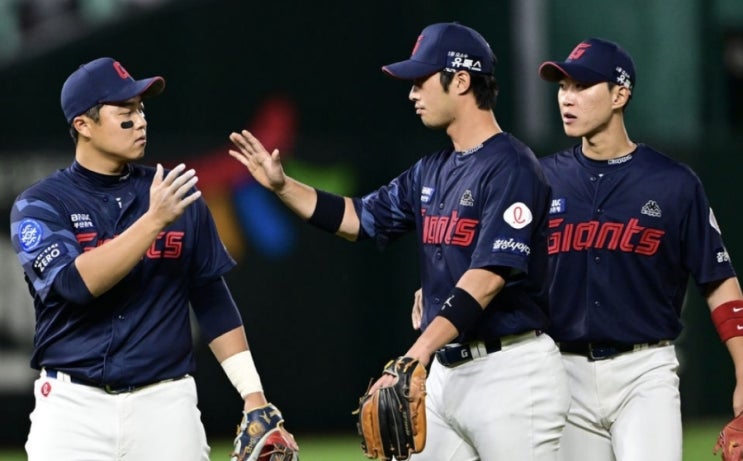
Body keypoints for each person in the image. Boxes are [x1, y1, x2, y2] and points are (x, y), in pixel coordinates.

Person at [228, 22, 570, 459]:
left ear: (461, 80)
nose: (412, 93)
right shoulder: (432, 169)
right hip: (447, 371)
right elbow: (359, 218)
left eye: (421, 80)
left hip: (512, 374)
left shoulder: (511, 166)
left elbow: (488, 276)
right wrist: (282, 186)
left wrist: (416, 353)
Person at [9, 57, 297, 460]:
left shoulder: (174, 194)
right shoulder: (40, 204)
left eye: (141, 108)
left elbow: (212, 300)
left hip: (166, 405)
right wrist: (154, 220)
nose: (140, 120)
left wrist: (254, 396)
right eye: (124, 111)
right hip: (72, 409)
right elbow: (74, 285)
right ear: (83, 125)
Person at [536, 38, 743, 461]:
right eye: (563, 87)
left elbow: (719, 281)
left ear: (619, 94)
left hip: (644, 372)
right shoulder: (541, 179)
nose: (567, 99)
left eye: (581, 86)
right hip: (562, 370)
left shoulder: (673, 183)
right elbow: (496, 264)